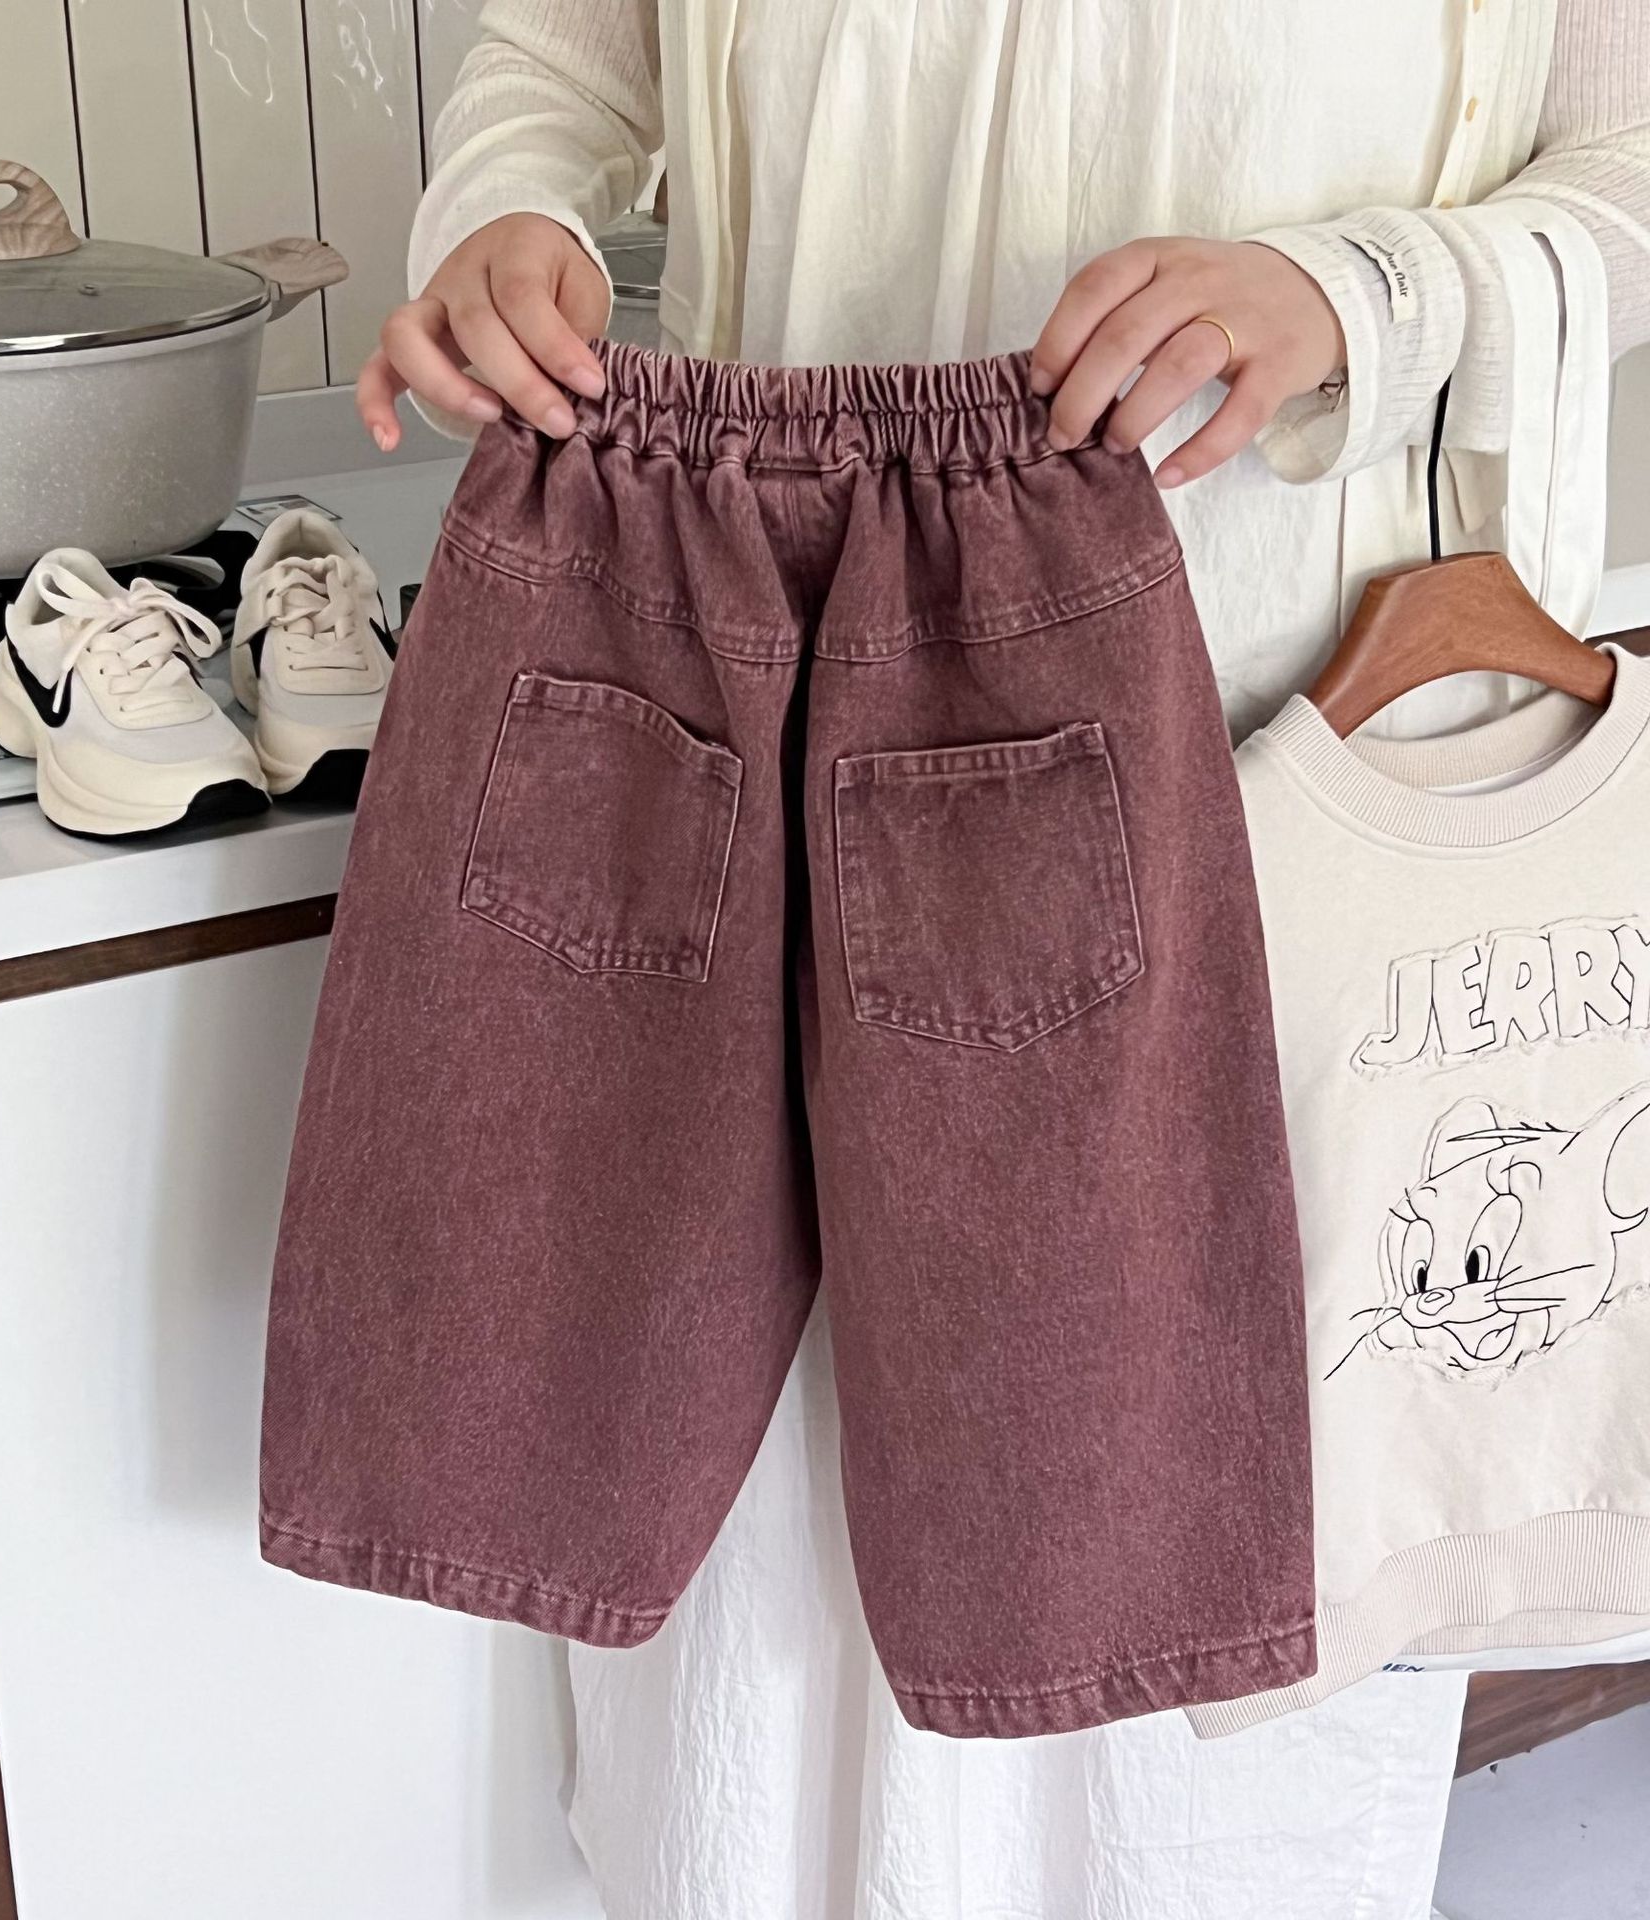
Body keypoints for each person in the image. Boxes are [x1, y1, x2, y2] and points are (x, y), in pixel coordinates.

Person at [359, 5, 1650, 1913]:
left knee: (1187, 1596)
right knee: (758, 1617)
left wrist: (1355, 294)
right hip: (761, 708)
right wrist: (502, 219)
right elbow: (561, 58)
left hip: (1256, 746)